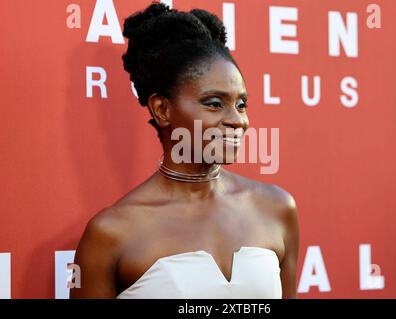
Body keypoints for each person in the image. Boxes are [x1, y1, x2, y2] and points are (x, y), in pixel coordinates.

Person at [70, 1, 299, 299]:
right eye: (215, 103)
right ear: (162, 109)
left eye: (241, 104)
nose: (237, 120)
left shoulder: (277, 208)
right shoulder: (112, 232)